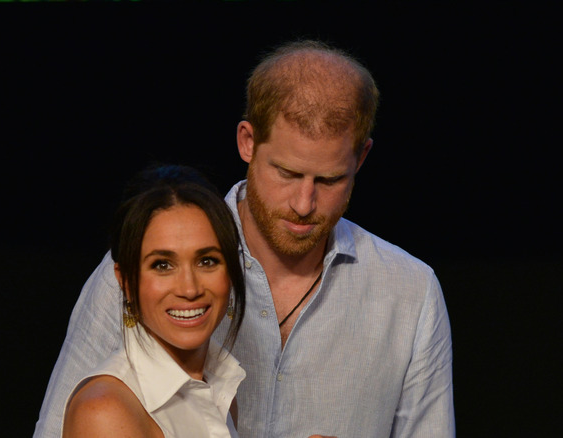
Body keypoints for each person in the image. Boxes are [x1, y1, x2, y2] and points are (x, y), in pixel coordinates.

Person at [35, 39, 454, 438]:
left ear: (361, 157)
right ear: (247, 142)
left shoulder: (410, 292)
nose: (304, 203)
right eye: (287, 173)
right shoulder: (145, 269)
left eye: (329, 179)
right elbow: (60, 427)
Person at [61, 163, 247, 437]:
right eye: (162, 265)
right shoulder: (105, 410)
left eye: (207, 261)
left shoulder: (221, 394)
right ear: (125, 281)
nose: (189, 288)